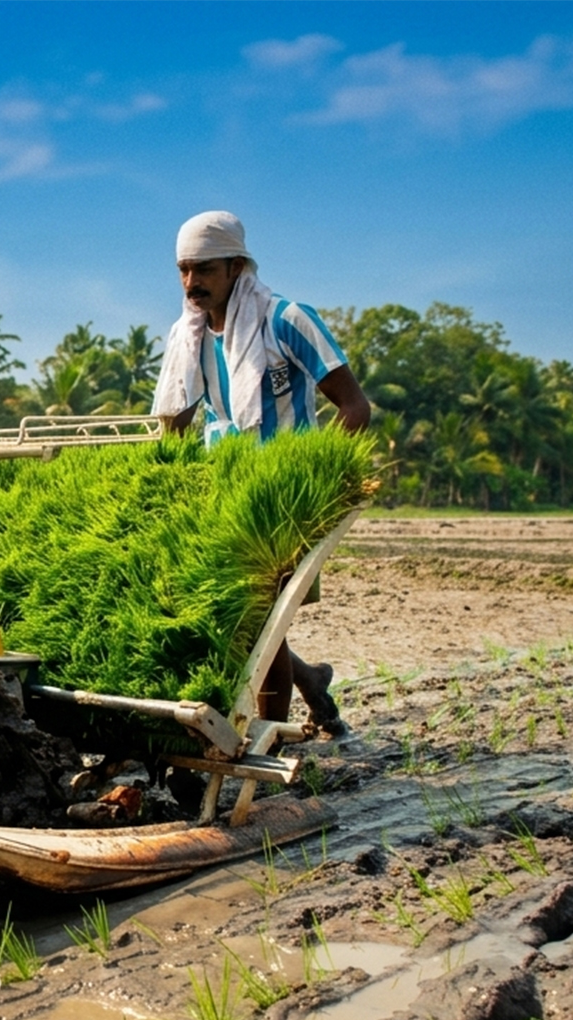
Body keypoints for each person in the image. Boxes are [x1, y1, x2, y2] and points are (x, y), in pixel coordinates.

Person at [151, 210, 371, 736]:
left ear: (235, 266)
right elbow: (176, 424)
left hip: (281, 504)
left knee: (260, 622)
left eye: (203, 269)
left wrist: (318, 484)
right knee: (244, 621)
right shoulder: (188, 338)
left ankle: (270, 743)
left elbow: (354, 407)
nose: (191, 283)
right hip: (223, 494)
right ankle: (310, 681)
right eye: (183, 269)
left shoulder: (286, 320)